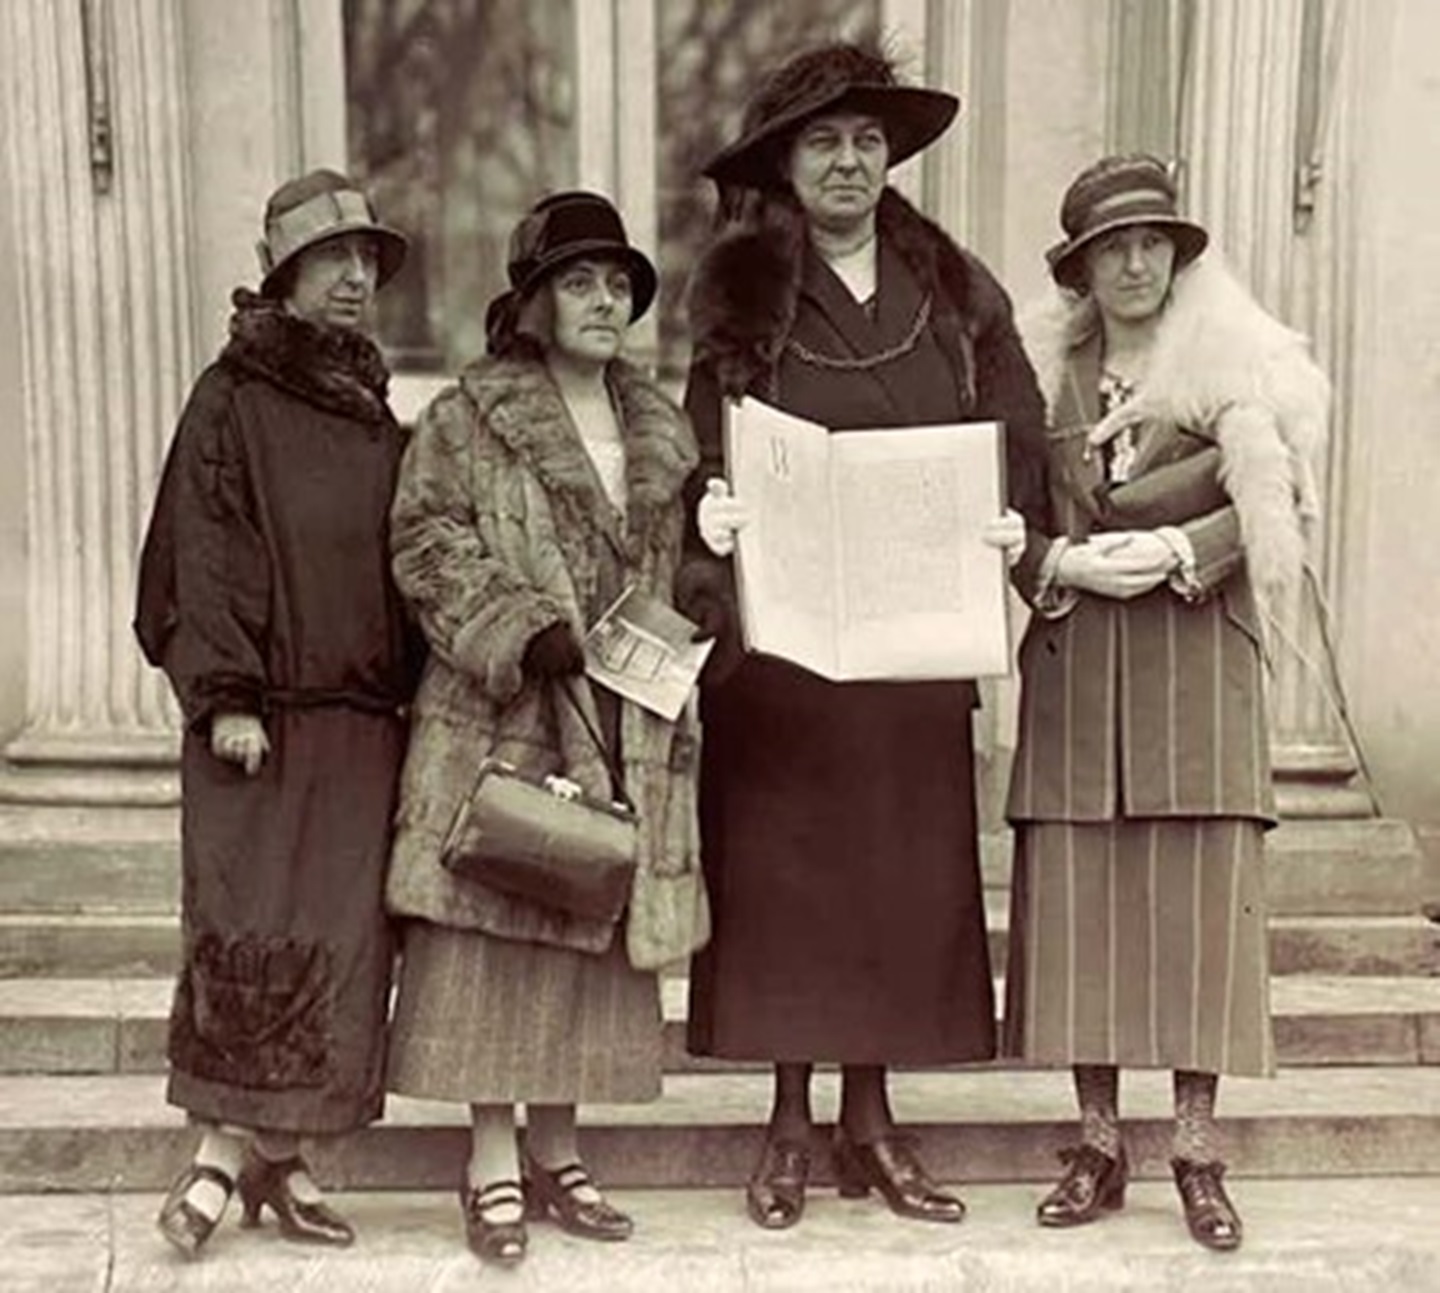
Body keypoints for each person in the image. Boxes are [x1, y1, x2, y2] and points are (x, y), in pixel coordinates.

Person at [677, 40, 1046, 1230]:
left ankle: (873, 1122)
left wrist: (1008, 518)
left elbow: (1018, 428)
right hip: (783, 656)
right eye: (825, 141)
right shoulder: (739, 296)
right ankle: (789, 1121)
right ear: (786, 165)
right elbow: (690, 450)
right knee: (787, 879)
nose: (849, 161)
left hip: (913, 647)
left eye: (867, 142)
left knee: (896, 873)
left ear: (891, 163)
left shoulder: (955, 298)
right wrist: (708, 511)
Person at [1002, 153, 1328, 1251]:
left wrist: (1181, 547)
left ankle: (1194, 1148)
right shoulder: (1040, 373)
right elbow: (1001, 518)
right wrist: (1059, 564)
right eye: (1112, 248)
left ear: (1178, 257)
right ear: (1082, 268)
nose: (1134, 262)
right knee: (1083, 908)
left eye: (1152, 244)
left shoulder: (1242, 363)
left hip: (1197, 658)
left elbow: (1282, 505)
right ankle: (1098, 1142)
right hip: (1080, 662)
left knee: (1197, 913)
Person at [383, 191, 700, 1267]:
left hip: (622, 719)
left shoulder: (659, 425)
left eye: (618, 284)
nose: (605, 301)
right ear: (532, 302)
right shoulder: (465, 419)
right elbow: (424, 543)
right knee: (497, 936)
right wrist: (518, 628)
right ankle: (492, 1164)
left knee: (588, 926)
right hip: (502, 713)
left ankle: (562, 1154)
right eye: (580, 282)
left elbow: (677, 569)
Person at [134, 169, 419, 1256]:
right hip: (260, 727)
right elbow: (202, 554)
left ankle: (285, 1163)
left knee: (337, 949)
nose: (355, 278)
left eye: (367, 262)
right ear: (284, 276)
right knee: (249, 936)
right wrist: (226, 695)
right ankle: (216, 1156)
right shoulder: (233, 396)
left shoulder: (368, 403)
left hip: (359, 728)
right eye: (331, 260)